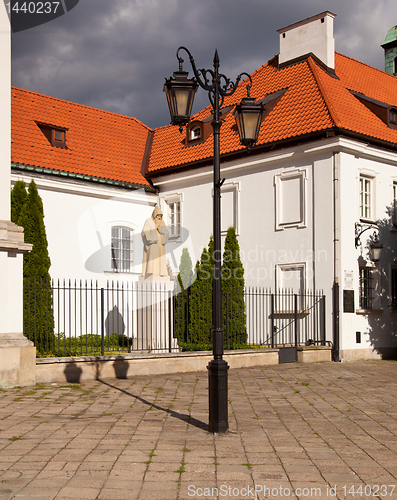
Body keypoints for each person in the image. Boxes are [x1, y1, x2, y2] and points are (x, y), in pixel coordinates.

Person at [141, 206, 169, 280]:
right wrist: (151, 237)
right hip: (152, 244)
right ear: (154, 215)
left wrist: (161, 230)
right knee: (152, 260)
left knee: (160, 259)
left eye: (160, 216)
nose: (159, 218)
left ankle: (160, 273)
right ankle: (151, 272)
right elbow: (144, 232)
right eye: (157, 216)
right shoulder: (149, 221)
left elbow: (166, 232)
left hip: (160, 244)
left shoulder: (162, 222)